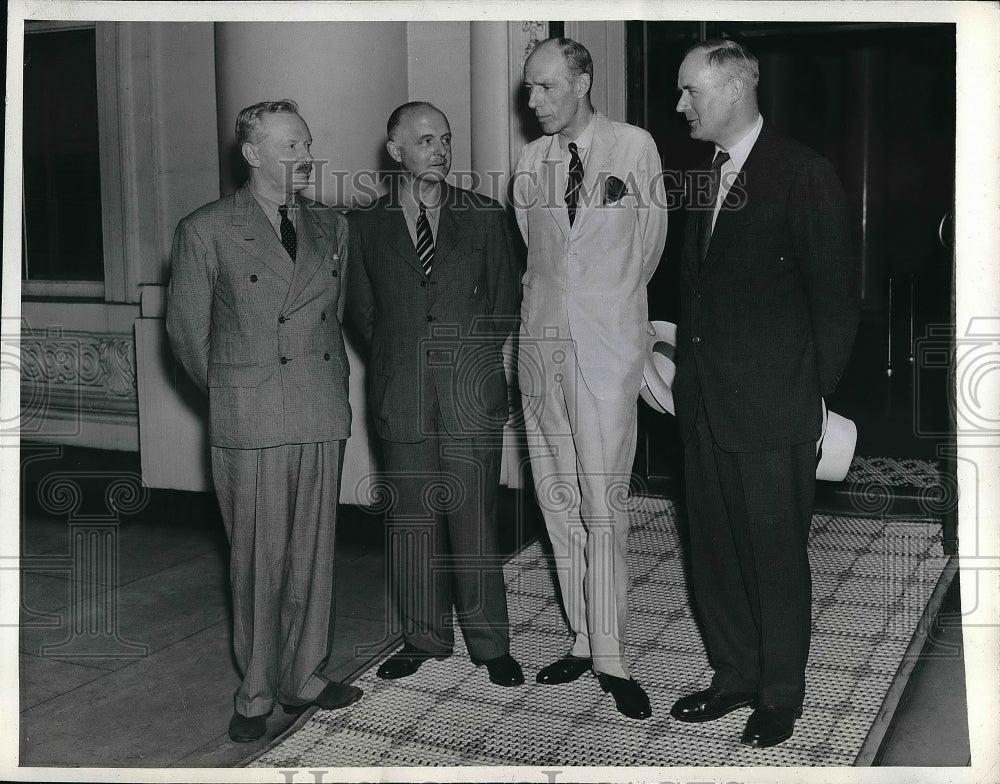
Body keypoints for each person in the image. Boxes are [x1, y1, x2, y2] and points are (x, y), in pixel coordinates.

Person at [669, 40, 860, 748]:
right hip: (705, 404)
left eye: (690, 91)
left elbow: (836, 302)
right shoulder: (707, 172)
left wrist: (808, 402)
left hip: (774, 404)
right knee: (713, 549)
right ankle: (734, 676)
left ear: (737, 87)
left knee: (775, 554)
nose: (680, 105)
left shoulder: (802, 172)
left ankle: (779, 693)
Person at [166, 100, 361, 743]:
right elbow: (189, 338)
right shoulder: (207, 229)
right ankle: (253, 691)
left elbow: (342, 315)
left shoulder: (334, 226)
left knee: (314, 555)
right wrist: (240, 390)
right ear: (253, 155)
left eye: (306, 143)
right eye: (288, 147)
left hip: (319, 406)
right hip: (251, 415)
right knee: (257, 558)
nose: (304, 156)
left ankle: (304, 675)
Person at [512, 37, 668, 720]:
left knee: (603, 504)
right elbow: (535, 249)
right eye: (530, 88)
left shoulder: (634, 147)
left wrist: (615, 323)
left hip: (606, 349)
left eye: (546, 86)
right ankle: (580, 635)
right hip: (542, 347)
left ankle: (610, 653)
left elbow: (649, 245)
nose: (534, 100)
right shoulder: (529, 160)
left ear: (583, 81)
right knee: (558, 499)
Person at [346, 102, 524, 687]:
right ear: (396, 152)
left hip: (470, 393)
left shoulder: (485, 214)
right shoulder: (364, 227)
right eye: (425, 141)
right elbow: (363, 314)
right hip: (402, 396)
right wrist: (405, 363)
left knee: (475, 521)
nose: (440, 151)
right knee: (412, 522)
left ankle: (490, 643)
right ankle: (424, 637)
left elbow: (502, 305)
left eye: (445, 139)